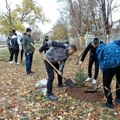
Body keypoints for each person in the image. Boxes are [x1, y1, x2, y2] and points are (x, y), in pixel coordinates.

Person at [96, 40, 120, 109]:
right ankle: (118, 99)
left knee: (106, 85)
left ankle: (109, 103)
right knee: (119, 81)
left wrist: (105, 75)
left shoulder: (99, 49)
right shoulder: (113, 43)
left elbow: (101, 63)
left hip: (109, 65)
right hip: (119, 63)